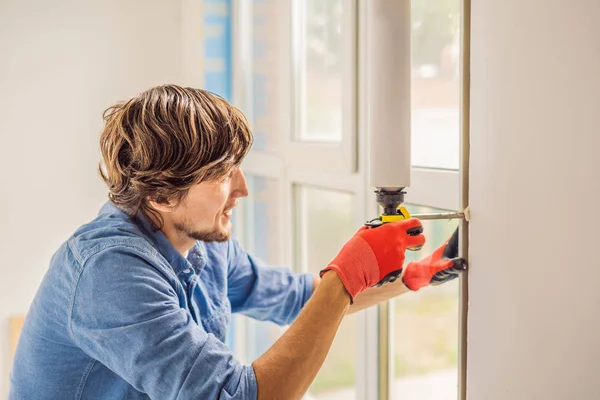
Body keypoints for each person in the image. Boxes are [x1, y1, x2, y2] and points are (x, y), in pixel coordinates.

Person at [9, 85, 466, 400]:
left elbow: (300, 301)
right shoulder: (109, 273)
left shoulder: (200, 241)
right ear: (160, 194)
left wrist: (408, 278)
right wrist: (344, 277)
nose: (243, 188)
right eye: (222, 174)